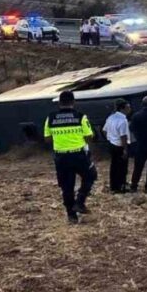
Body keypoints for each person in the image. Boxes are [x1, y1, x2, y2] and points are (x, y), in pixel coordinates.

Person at [44, 90, 96, 224]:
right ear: (73, 102)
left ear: (59, 103)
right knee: (91, 175)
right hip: (78, 154)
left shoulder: (50, 118)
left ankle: (71, 216)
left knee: (67, 187)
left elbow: (47, 138)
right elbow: (89, 135)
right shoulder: (80, 117)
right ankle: (80, 201)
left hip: (61, 157)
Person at [102, 98, 131, 193]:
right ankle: (121, 186)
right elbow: (123, 136)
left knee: (114, 166)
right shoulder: (123, 120)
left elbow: (104, 130)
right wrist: (125, 149)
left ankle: (113, 186)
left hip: (112, 144)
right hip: (120, 146)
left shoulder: (110, 117)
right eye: (128, 107)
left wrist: (110, 138)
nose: (129, 109)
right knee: (122, 167)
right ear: (122, 108)